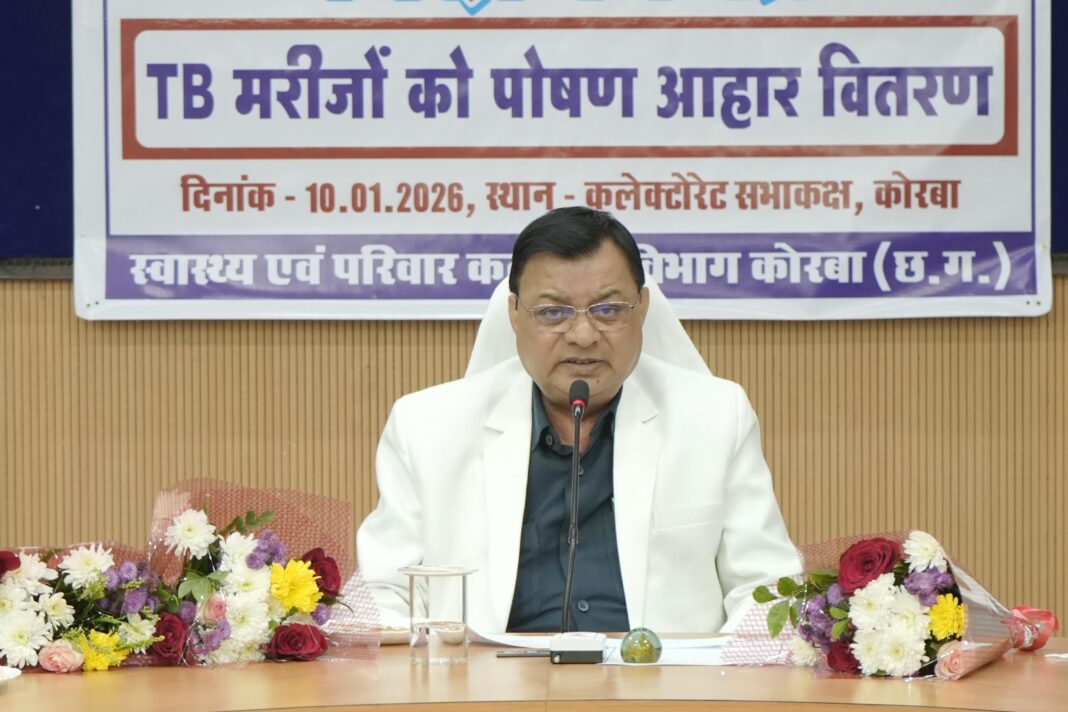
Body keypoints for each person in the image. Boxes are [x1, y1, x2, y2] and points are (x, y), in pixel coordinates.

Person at [356, 206, 799, 634]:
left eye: (608, 310)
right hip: (487, 677)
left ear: (642, 308)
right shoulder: (427, 426)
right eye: (553, 312)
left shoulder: (715, 417)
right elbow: (383, 590)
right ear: (514, 315)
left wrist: (722, 670)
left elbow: (768, 587)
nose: (583, 336)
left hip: (663, 677)